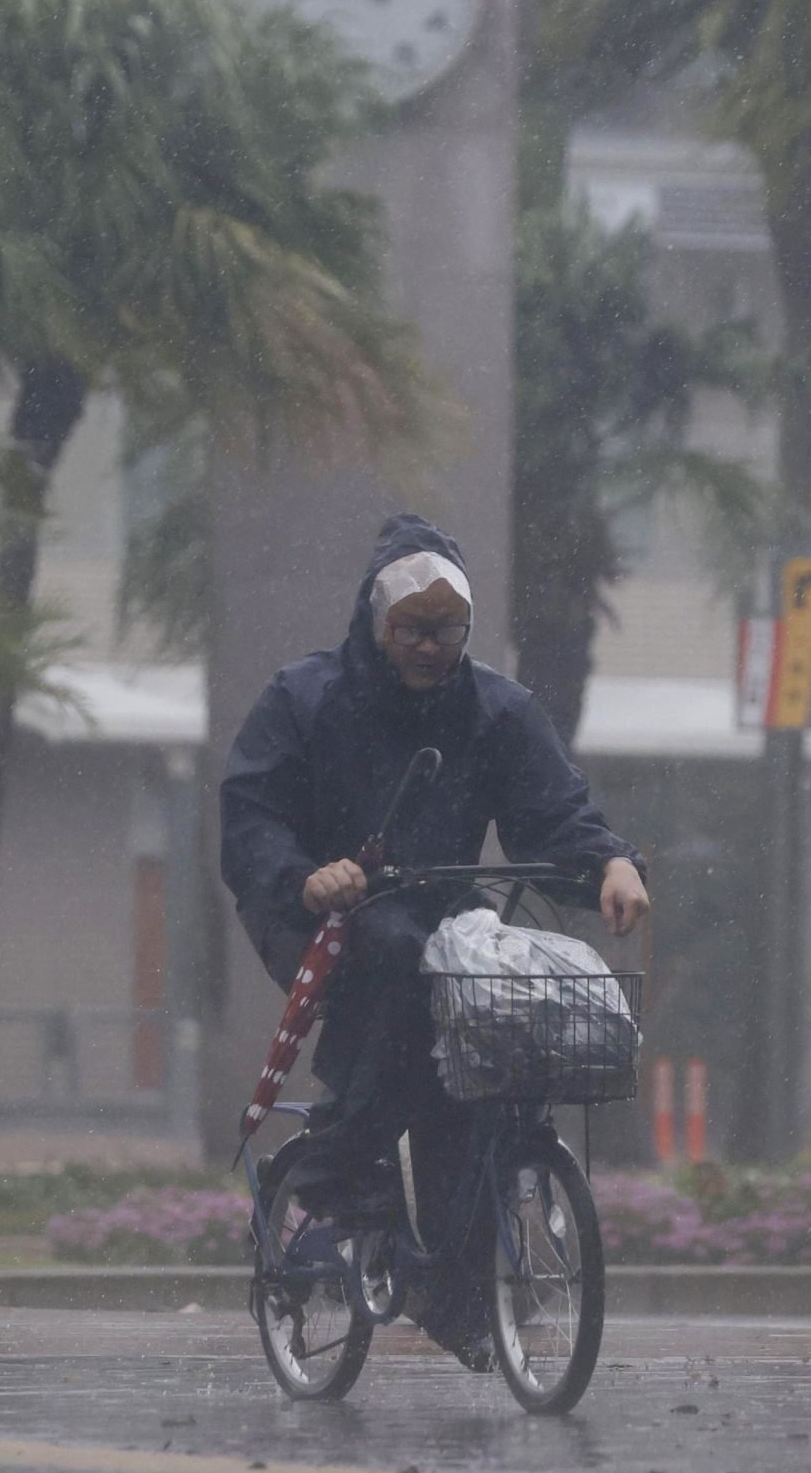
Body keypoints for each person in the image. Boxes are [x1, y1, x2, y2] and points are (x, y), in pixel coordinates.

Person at [221, 513, 650, 1369]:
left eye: (445, 631)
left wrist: (609, 862)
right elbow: (250, 815)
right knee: (386, 956)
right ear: (375, 624)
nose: (429, 646)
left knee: (475, 1065)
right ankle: (343, 1160)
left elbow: (554, 806)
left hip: (443, 916)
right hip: (317, 914)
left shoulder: (497, 709)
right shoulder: (302, 700)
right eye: (412, 630)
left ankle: (452, 1288)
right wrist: (306, 876)